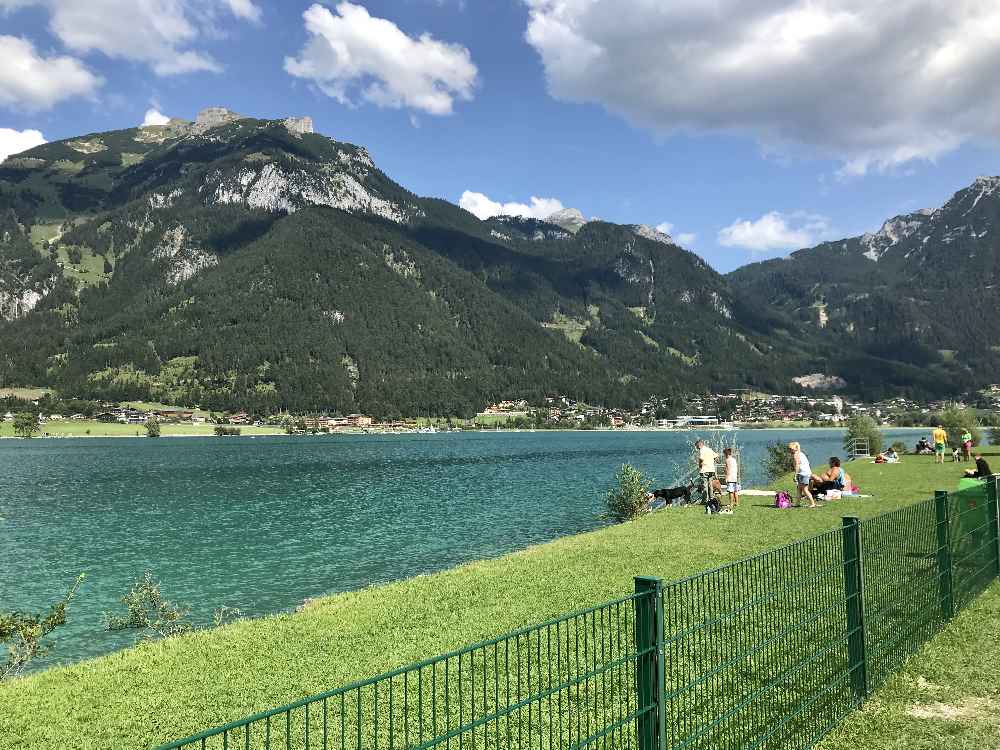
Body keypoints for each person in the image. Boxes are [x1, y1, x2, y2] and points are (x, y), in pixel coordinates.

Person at [789, 441, 816, 508]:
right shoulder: (801, 453)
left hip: (803, 474)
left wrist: (795, 474)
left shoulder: (796, 455)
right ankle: (797, 503)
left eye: (791, 449)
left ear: (795, 449)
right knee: (799, 488)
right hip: (806, 473)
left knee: (804, 489)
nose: (790, 450)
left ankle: (812, 503)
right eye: (789, 449)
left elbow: (797, 465)